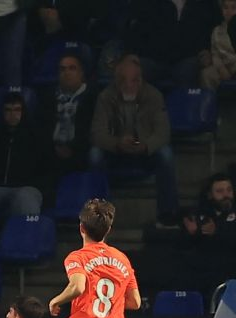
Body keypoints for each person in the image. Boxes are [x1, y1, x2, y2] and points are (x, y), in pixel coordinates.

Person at [90, 55, 179, 227]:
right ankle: (100, 216)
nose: (129, 85)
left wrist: (146, 146)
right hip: (116, 151)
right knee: (94, 155)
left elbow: (163, 133)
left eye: (134, 80)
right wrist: (116, 143)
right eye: (123, 80)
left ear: (141, 80)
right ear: (116, 80)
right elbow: (97, 133)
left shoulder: (154, 96)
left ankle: (168, 213)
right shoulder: (105, 97)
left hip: (144, 151)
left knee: (166, 154)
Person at [126, 0, 221, 88]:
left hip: (188, 58)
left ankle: (188, 105)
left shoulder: (205, 3)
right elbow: (135, 31)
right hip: (153, 59)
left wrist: (208, 51)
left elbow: (215, 30)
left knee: (188, 71)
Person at [36, 52, 96, 176]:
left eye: (72, 68)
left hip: (81, 149)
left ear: (82, 73)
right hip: (51, 150)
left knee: (95, 154)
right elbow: (41, 128)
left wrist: (73, 148)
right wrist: (55, 147)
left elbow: (94, 131)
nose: (66, 73)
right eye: (62, 69)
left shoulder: (93, 98)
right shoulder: (47, 98)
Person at [201, 0, 236, 89]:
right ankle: (211, 100)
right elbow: (215, 54)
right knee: (207, 73)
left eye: (233, 8)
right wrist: (221, 68)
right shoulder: (217, 31)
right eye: (226, 8)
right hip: (224, 67)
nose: (229, 12)